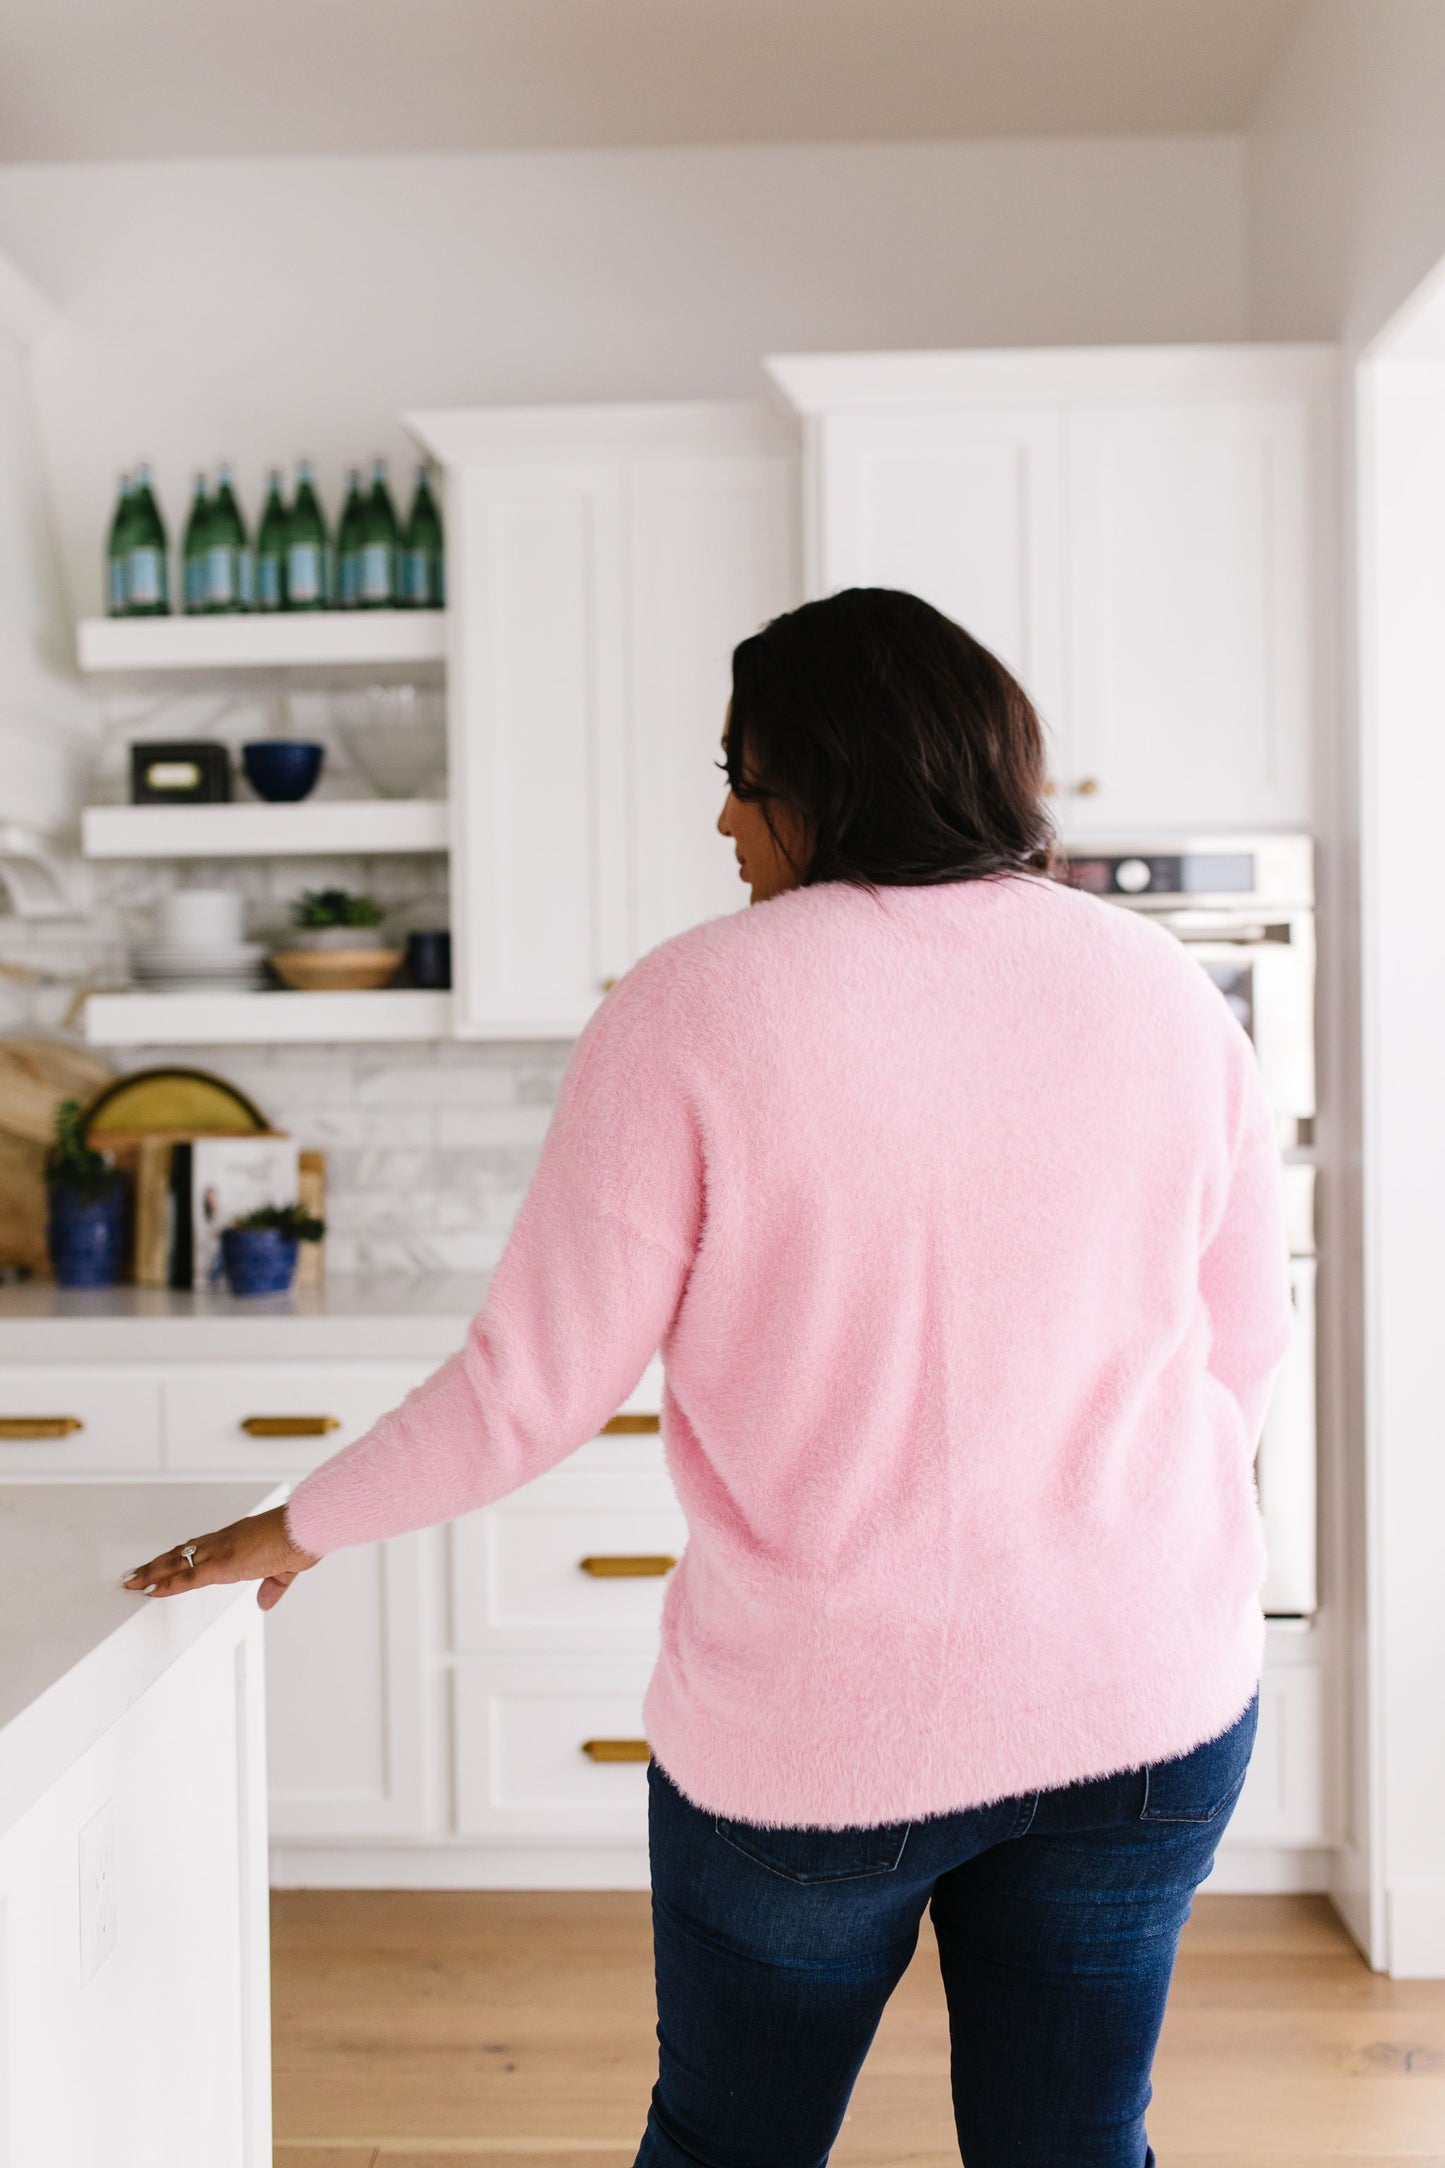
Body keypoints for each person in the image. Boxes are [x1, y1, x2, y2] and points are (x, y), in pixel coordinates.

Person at [128, 587, 1293, 2168]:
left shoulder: (693, 1003)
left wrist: (295, 1524)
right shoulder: (1161, 988)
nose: (723, 816)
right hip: (1148, 1700)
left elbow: (528, 1390)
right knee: (1075, 2142)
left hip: (826, 1733)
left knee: (731, 2148)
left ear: (825, 778)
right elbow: (1238, 1347)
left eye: (742, 772)